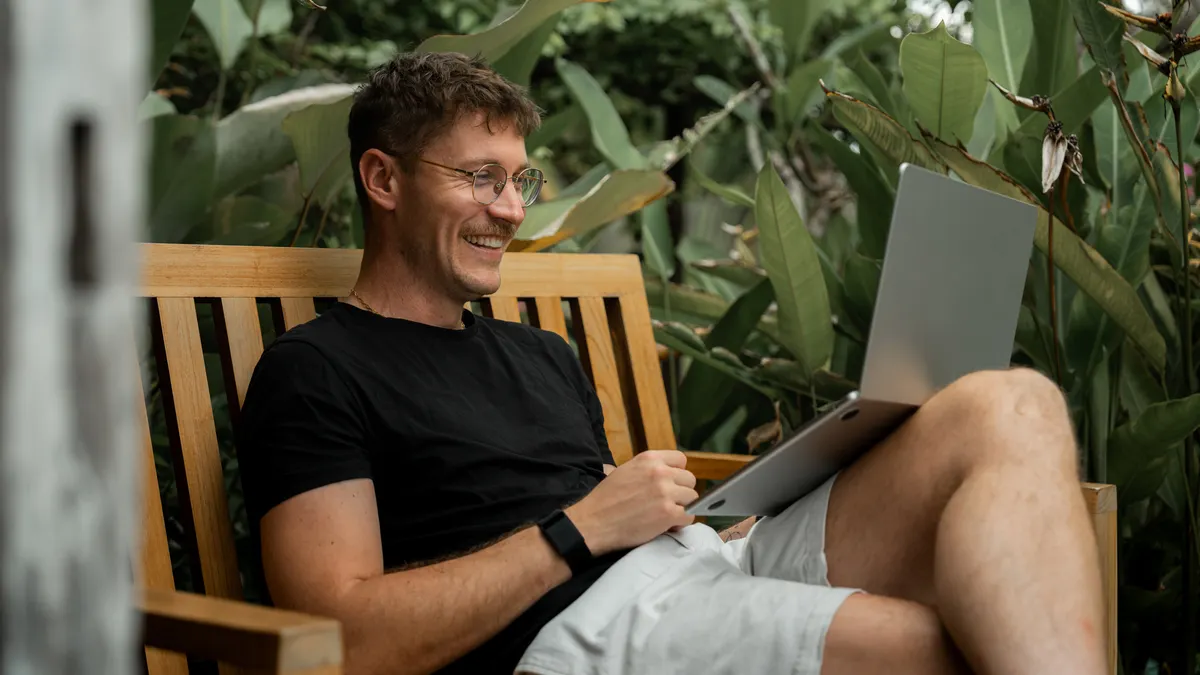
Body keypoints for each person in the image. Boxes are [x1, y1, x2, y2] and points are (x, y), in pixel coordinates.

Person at [235, 51, 1108, 675]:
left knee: (1010, 402)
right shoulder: (315, 371)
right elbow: (339, 636)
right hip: (572, 631)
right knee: (938, 646)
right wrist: (579, 527)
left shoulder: (538, 352)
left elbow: (599, 511)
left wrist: (680, 521)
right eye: (480, 178)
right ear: (384, 180)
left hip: (697, 567)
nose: (510, 210)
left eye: (519, 181)